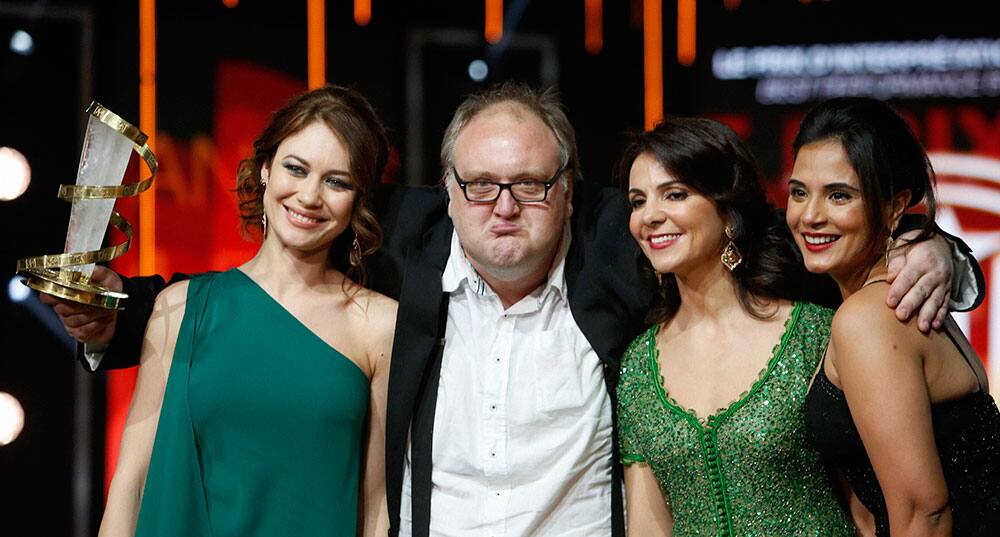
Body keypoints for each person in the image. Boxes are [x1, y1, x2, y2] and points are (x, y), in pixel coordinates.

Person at [45, 83, 977, 537]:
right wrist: (108, 312)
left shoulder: (631, 232)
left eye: (530, 185)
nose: (504, 206)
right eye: (481, 184)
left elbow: (801, 234)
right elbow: (248, 296)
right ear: (442, 190)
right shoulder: (402, 237)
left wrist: (938, 249)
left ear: (571, 191)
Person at [97, 85, 396, 536]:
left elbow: (376, 509)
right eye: (296, 169)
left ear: (358, 200)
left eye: (337, 181)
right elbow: (130, 483)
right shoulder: (179, 309)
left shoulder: (379, 326)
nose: (310, 196)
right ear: (265, 171)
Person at [616, 117, 855, 535]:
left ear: (726, 209)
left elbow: (871, 505)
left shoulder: (816, 335)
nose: (650, 217)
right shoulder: (639, 363)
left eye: (674, 194)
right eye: (638, 202)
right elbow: (647, 526)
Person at [791, 97, 1000, 536]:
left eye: (838, 195)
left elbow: (924, 515)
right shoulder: (887, 295)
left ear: (893, 206)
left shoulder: (871, 316)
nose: (810, 215)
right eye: (798, 192)